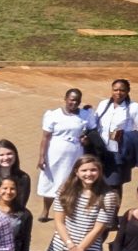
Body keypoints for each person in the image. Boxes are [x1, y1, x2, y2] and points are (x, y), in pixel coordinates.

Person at [35, 87, 96, 220]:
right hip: (54, 154)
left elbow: (93, 131)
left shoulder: (85, 115)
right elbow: (45, 137)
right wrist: (41, 157)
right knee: (51, 181)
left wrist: (87, 139)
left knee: (71, 182)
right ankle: (45, 210)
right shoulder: (53, 115)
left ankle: (67, 211)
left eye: (77, 101)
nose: (74, 103)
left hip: (75, 154)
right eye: (72, 100)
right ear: (65, 99)